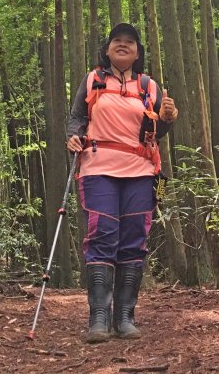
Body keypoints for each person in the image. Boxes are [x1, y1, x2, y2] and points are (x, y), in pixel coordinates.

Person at [66, 22, 178, 343]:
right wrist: (73, 137)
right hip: (98, 168)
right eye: (117, 40)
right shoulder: (92, 81)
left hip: (141, 171)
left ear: (138, 52)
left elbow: (155, 133)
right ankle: (98, 318)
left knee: (133, 241)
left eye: (130, 42)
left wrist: (167, 118)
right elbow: (77, 118)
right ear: (107, 48)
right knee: (102, 236)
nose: (124, 45)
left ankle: (125, 317)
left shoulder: (150, 87)